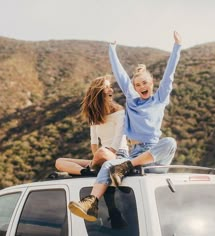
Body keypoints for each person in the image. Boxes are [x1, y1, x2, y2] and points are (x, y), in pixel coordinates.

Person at [68, 31, 182, 222]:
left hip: (154, 156)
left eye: (145, 83)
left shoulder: (160, 98)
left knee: (170, 141)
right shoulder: (132, 100)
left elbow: (169, 74)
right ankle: (91, 203)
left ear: (151, 83)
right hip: (136, 153)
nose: (141, 86)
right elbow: (120, 74)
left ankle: (126, 166)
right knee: (110, 165)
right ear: (134, 88)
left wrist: (177, 46)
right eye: (137, 85)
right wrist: (112, 49)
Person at [55, 75, 129, 176]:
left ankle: (93, 168)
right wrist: (96, 160)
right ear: (98, 93)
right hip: (100, 158)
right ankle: (87, 172)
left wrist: (103, 156)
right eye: (106, 87)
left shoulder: (119, 111)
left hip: (119, 155)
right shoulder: (94, 115)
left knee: (102, 151)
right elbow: (94, 141)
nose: (111, 89)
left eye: (110, 86)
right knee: (59, 162)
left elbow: (118, 137)